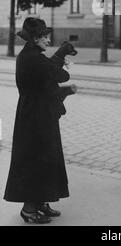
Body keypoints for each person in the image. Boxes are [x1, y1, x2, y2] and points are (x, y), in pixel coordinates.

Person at [4, 17, 77, 224]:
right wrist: (62, 55)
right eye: (44, 37)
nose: (47, 39)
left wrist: (60, 56)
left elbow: (49, 75)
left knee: (45, 157)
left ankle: (41, 202)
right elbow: (58, 75)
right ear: (35, 38)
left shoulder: (32, 55)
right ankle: (28, 210)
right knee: (35, 160)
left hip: (37, 114)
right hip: (34, 117)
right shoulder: (32, 58)